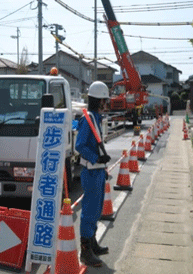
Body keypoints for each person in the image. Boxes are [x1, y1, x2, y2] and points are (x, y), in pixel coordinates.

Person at [75, 81, 111, 267]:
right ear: (99, 101)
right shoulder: (88, 119)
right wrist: (97, 159)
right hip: (90, 171)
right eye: (105, 100)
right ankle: (85, 251)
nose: (107, 104)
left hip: (96, 172)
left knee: (96, 211)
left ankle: (92, 243)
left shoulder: (95, 117)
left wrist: (101, 165)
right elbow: (79, 145)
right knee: (89, 212)